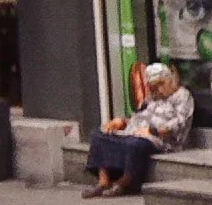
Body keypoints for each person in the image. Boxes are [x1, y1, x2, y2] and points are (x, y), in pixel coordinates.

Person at [82, 62, 194, 197]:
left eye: (159, 86)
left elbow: (179, 124)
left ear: (169, 81)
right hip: (134, 132)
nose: (157, 91)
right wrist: (122, 121)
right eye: (152, 87)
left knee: (135, 145)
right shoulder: (152, 97)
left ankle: (123, 183)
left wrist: (152, 131)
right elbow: (140, 116)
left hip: (160, 139)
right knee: (99, 135)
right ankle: (103, 181)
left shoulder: (183, 96)